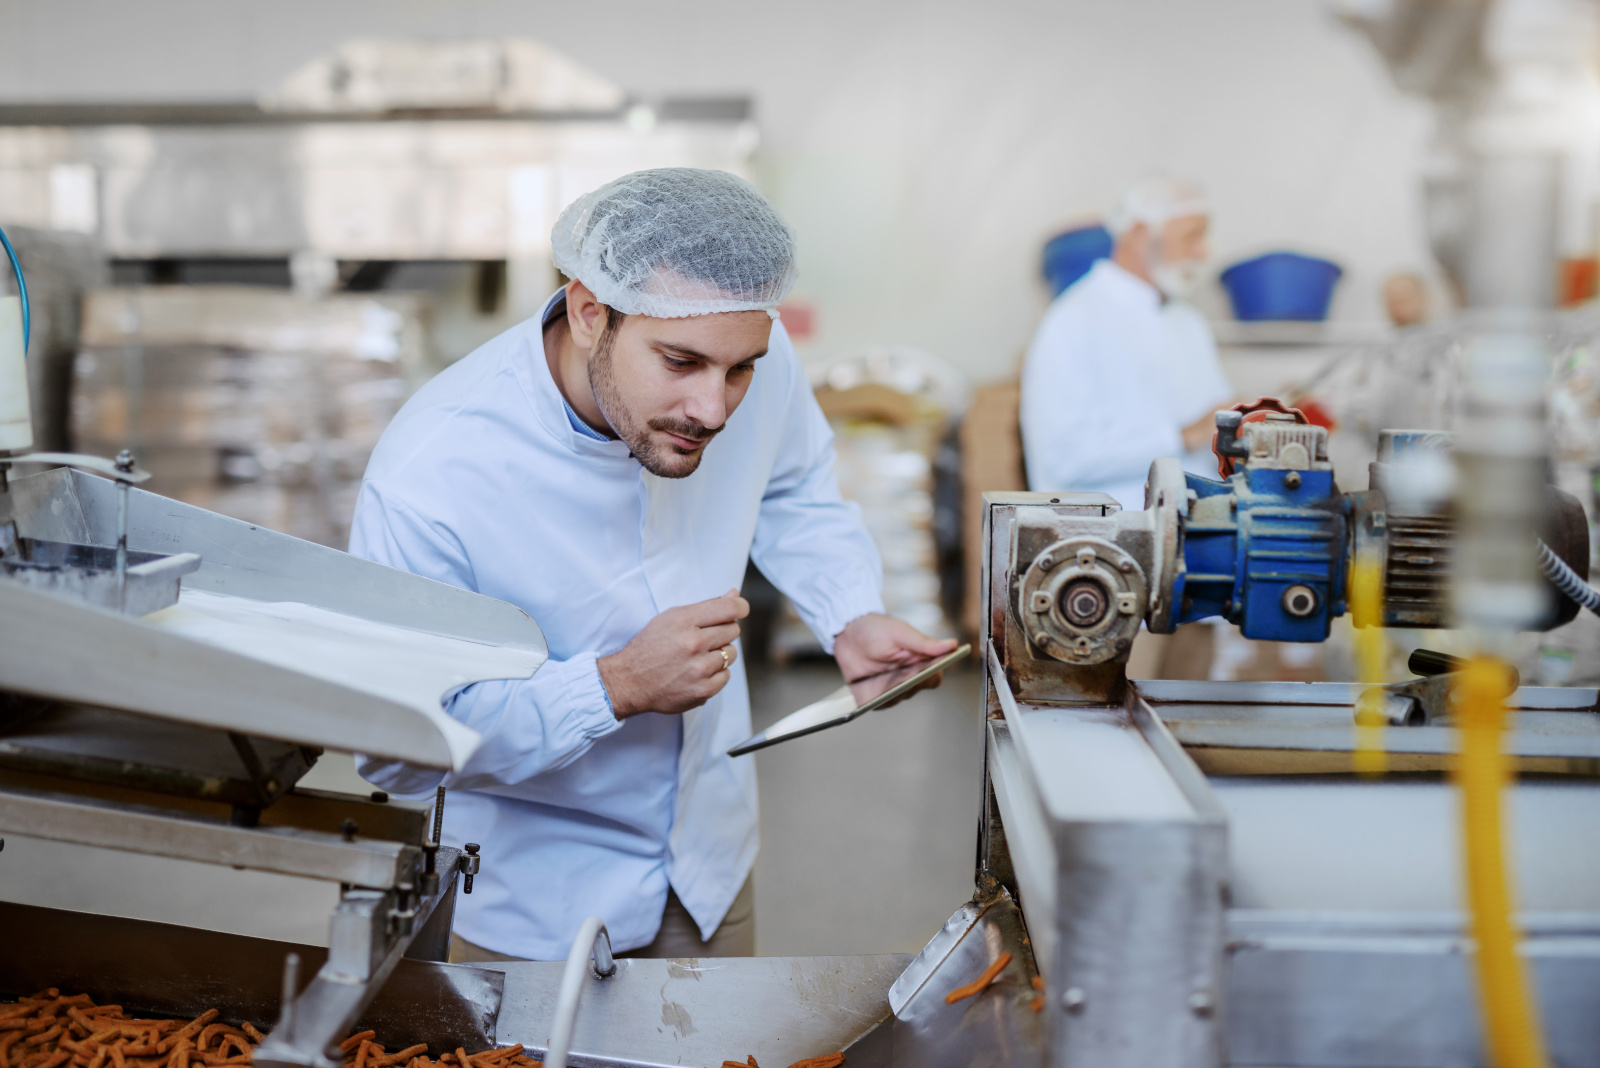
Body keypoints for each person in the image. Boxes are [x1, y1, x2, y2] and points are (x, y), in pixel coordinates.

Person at [347, 168, 955, 962]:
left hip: (708, 864)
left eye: (740, 370)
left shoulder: (747, 361)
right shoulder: (438, 466)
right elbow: (398, 744)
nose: (716, 408)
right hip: (533, 904)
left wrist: (847, 612)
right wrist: (614, 687)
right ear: (589, 312)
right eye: (681, 363)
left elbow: (795, 485)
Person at [1020, 176, 1233, 510]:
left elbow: (1215, 429)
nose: (1204, 252)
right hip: (1106, 550)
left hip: (1197, 543)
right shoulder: (1073, 321)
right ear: (1138, 233)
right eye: (1191, 236)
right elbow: (1064, 458)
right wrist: (1181, 436)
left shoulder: (1188, 323)